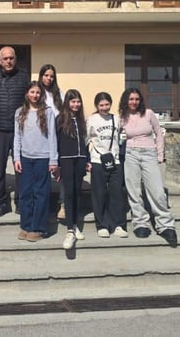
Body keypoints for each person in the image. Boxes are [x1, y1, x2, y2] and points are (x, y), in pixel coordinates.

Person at [119, 87, 177, 248]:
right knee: (134, 190)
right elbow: (115, 136)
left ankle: (165, 225)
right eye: (131, 99)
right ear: (126, 101)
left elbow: (159, 134)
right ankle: (140, 223)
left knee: (157, 191)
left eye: (137, 99)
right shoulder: (122, 117)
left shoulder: (149, 114)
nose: (134, 102)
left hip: (149, 154)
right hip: (131, 154)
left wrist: (160, 155)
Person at [0, 46, 30, 217]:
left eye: (11, 58)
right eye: (5, 59)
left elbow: (29, 100)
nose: (9, 61)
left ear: (15, 59)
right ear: (0, 61)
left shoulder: (24, 77)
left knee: (20, 168)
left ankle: (20, 202)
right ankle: (0, 203)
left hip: (19, 130)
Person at [13, 81, 58, 242]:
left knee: (41, 193)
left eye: (38, 92)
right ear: (27, 93)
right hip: (25, 158)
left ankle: (38, 228)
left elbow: (52, 136)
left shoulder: (47, 112)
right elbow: (17, 136)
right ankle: (26, 225)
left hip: (42, 158)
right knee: (25, 192)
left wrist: (53, 160)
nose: (35, 95)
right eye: (32, 92)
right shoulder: (20, 112)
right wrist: (16, 157)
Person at [86, 92, 128, 239]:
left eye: (107, 104)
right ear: (96, 106)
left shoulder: (116, 119)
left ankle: (118, 225)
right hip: (98, 160)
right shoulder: (91, 120)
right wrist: (87, 160)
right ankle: (102, 225)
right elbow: (86, 140)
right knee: (99, 193)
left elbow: (122, 138)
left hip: (115, 161)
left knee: (117, 193)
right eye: (101, 105)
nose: (104, 107)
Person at [56, 89, 88, 250]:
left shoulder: (82, 120)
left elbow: (86, 141)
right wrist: (56, 163)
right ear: (67, 103)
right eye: (73, 101)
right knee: (68, 193)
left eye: (78, 101)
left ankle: (75, 225)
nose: (76, 104)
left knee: (77, 192)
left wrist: (87, 159)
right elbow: (55, 141)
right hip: (66, 159)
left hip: (80, 159)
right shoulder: (60, 119)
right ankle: (69, 230)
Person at [38, 63, 66, 220]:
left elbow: (64, 112)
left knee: (61, 169)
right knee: (44, 170)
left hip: (58, 132)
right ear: (41, 76)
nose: (49, 78)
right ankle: (44, 204)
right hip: (42, 134)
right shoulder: (37, 92)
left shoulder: (59, 93)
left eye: (51, 76)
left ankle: (63, 204)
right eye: (46, 75)